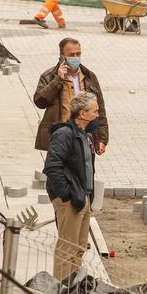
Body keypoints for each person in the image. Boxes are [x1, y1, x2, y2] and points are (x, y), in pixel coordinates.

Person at [44, 91, 100, 279]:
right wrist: (66, 195)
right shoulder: (64, 134)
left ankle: (73, 288)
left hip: (82, 197)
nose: (97, 116)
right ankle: (60, 292)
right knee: (67, 249)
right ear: (82, 114)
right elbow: (52, 167)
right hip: (71, 199)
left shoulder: (86, 136)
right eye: (95, 111)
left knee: (79, 248)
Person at [33, 38, 108, 154]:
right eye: (71, 55)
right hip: (60, 137)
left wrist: (102, 139)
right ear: (62, 56)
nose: (75, 57)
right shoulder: (49, 76)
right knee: (58, 170)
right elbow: (40, 102)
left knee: (84, 171)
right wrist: (57, 80)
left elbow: (100, 110)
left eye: (78, 54)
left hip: (85, 136)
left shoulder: (89, 77)